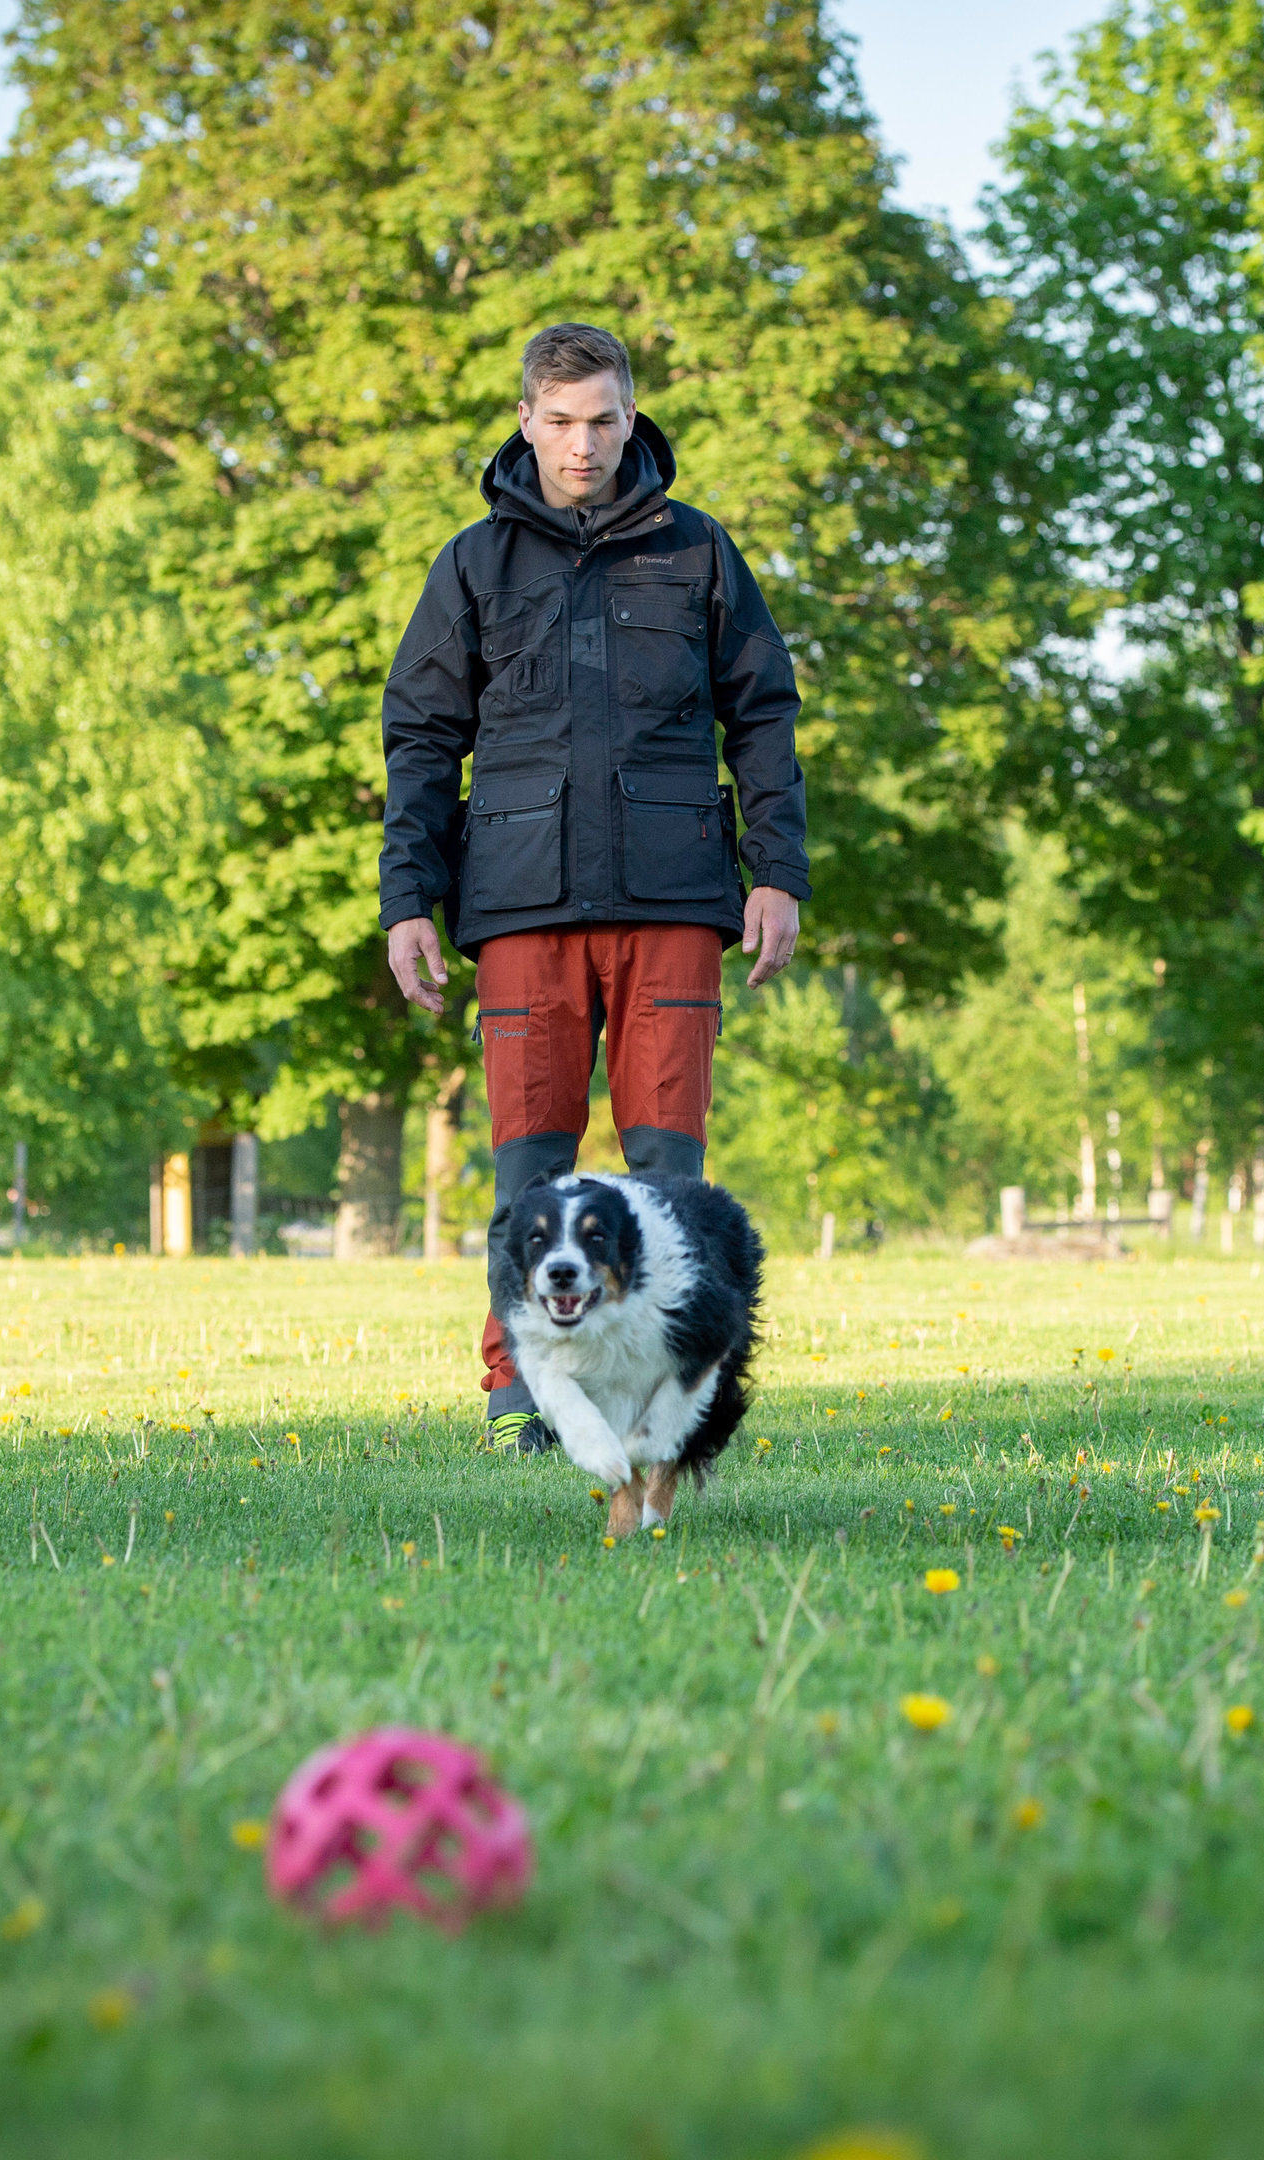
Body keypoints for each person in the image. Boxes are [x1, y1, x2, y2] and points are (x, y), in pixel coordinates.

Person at [379, 322, 809, 1451]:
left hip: (673, 898)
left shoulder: (699, 551)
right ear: (526, 419)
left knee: (667, 1168)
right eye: (561, 422)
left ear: (634, 418)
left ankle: (669, 1389)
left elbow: (762, 717)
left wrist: (779, 874)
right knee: (531, 1165)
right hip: (517, 901)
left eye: (604, 420)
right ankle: (520, 1389)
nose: (583, 444)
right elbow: (421, 738)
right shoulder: (472, 564)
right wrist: (408, 899)